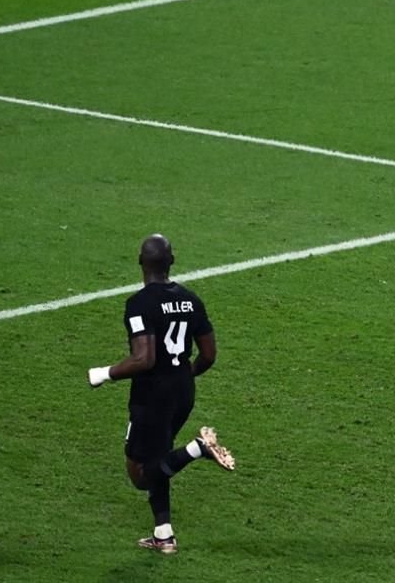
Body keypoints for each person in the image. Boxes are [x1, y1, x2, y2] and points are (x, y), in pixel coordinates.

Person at [87, 233, 235, 554]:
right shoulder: (191, 299)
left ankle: (198, 449)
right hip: (183, 392)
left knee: (140, 474)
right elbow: (208, 354)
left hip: (152, 397)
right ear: (172, 261)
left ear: (140, 262)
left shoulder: (139, 304)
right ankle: (164, 534)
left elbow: (144, 358)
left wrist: (104, 374)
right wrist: (183, 375)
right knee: (159, 456)